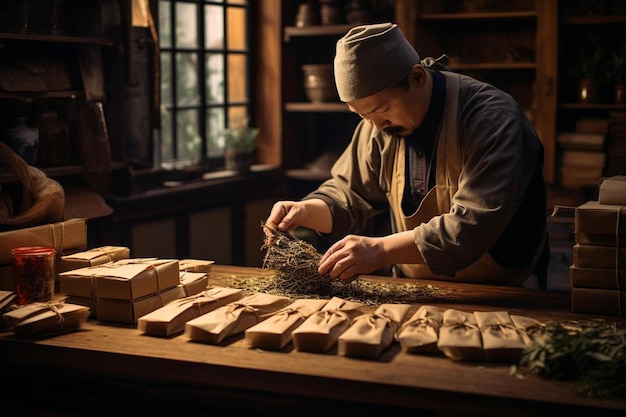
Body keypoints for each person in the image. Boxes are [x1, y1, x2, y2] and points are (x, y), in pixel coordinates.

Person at [265, 22, 550, 288]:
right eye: (362, 115)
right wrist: (306, 211)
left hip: (503, 288)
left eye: (382, 109)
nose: (376, 126)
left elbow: (470, 228)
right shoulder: (378, 127)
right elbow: (350, 194)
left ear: (417, 77)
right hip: (416, 288)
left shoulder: (491, 118)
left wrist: (379, 250)